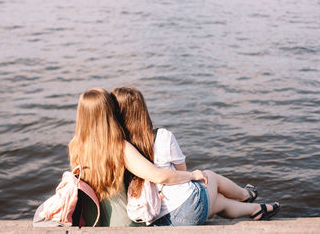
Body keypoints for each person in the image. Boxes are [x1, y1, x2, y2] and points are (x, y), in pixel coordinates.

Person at [111, 87, 280, 226]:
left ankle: (256, 210)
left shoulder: (120, 147)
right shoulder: (162, 136)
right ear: (142, 110)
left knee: (219, 202)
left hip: (156, 218)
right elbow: (182, 172)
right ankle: (246, 195)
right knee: (209, 176)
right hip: (186, 209)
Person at [68, 87, 208, 227]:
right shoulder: (119, 147)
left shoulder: (75, 147)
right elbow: (159, 176)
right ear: (108, 113)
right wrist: (191, 175)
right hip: (126, 224)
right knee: (210, 185)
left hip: (95, 224)